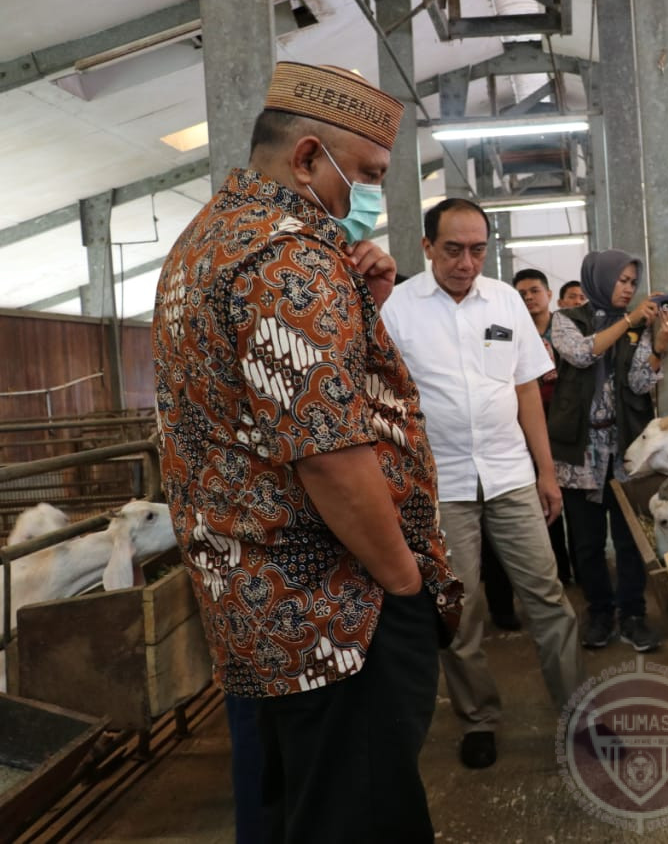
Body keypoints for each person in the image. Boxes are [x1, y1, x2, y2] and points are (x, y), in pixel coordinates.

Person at [152, 62, 462, 844]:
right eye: (362, 174)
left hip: (258, 607)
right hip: (336, 611)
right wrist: (404, 580)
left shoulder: (205, 240)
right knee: (361, 811)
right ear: (307, 157)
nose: (362, 197)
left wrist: (363, 304)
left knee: (294, 805)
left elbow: (263, 404)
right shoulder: (288, 257)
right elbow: (326, 453)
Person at [379, 199, 583, 770]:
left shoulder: (508, 302)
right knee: (458, 610)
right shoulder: (397, 309)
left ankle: (575, 713)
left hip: (510, 474)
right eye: (452, 250)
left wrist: (546, 473)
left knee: (549, 601)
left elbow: (525, 391)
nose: (466, 263)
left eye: (477, 250)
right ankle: (478, 718)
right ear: (426, 247)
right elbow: (389, 403)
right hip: (441, 486)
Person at [547, 250, 668, 651]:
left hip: (623, 447)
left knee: (629, 539)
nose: (628, 289)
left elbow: (641, 383)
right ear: (600, 279)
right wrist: (629, 320)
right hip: (579, 452)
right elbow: (580, 353)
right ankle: (599, 613)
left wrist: (661, 342)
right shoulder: (567, 320)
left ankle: (633, 615)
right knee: (587, 542)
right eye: (621, 280)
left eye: (632, 282)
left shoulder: (639, 328)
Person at [514, 268, 577, 586]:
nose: (529, 298)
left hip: (570, 426)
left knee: (576, 502)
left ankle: (582, 572)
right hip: (532, 428)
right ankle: (559, 572)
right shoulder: (515, 333)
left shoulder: (568, 329)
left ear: (549, 295)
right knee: (545, 498)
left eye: (534, 291)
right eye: (522, 293)